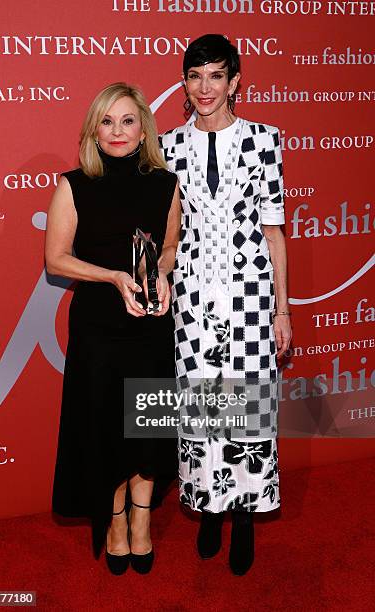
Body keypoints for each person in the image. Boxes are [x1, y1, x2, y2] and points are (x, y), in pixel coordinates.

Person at [159, 34, 292, 575]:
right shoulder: (166, 146)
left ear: (235, 81)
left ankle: (242, 515)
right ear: (186, 85)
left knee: (250, 409)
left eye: (216, 75)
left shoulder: (264, 139)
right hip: (192, 297)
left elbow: (275, 232)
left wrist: (283, 310)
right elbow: (167, 233)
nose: (205, 87)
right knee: (201, 408)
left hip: (251, 296)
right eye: (195, 76)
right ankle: (209, 507)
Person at [46, 82, 180, 575]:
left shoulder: (165, 184)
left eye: (128, 120)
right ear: (94, 132)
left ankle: (142, 521)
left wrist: (162, 273)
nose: (118, 131)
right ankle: (116, 521)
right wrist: (112, 276)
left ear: (143, 126)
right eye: (108, 121)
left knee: (146, 428)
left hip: (150, 325)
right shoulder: (74, 184)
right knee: (107, 430)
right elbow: (56, 260)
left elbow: (167, 247)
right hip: (100, 330)